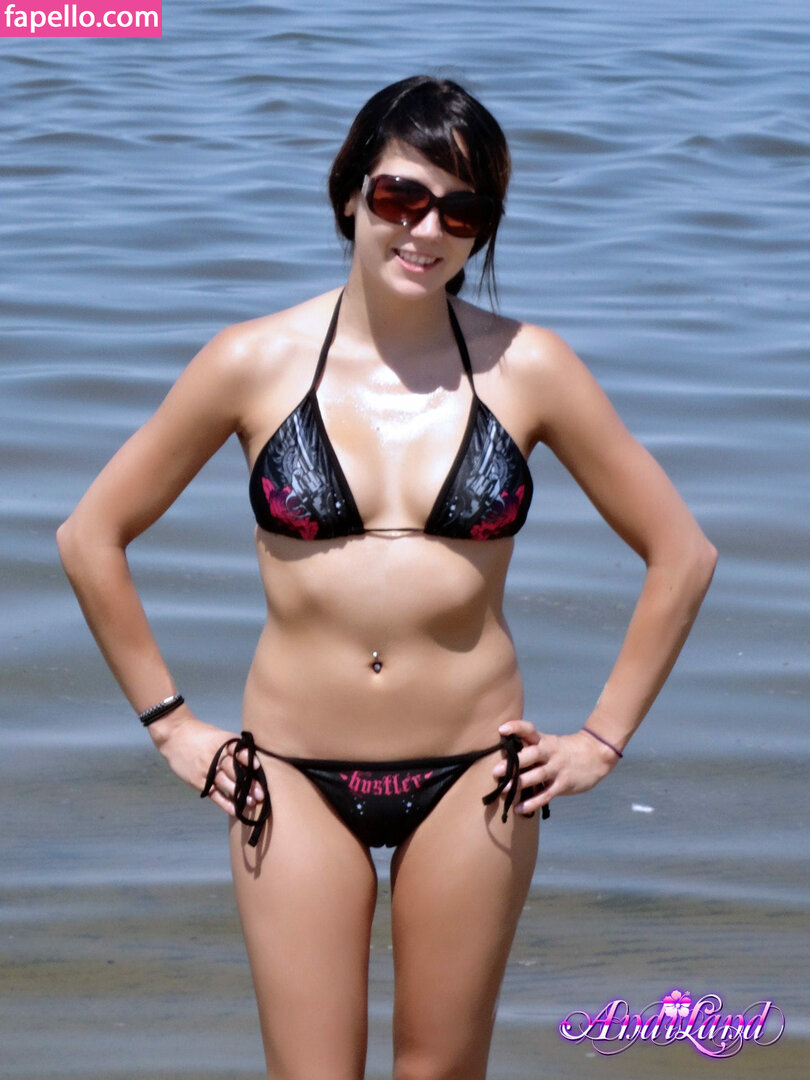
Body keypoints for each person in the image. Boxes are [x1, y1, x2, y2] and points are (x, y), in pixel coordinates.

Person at [57, 75, 717, 1080]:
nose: (427, 230)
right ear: (351, 192)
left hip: (473, 775)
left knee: (440, 1072)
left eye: (462, 210)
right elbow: (91, 535)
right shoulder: (251, 362)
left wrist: (601, 741)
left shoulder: (530, 368)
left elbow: (683, 553)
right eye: (402, 196)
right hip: (290, 773)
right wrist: (171, 724)